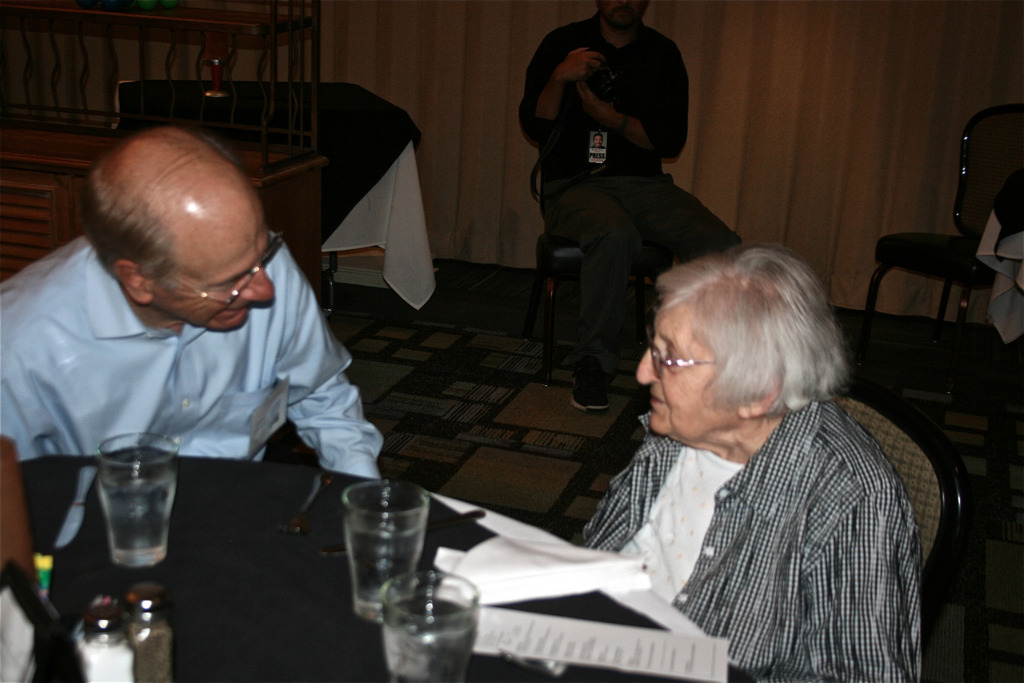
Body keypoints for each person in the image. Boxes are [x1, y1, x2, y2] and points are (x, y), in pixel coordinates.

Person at [584, 244, 921, 680]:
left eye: (670, 358)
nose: (645, 372)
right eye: (653, 345)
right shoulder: (678, 433)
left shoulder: (850, 499)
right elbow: (602, 548)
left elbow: (861, 674)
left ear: (757, 391)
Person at [0, 126, 382, 477]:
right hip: (100, 532)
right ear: (139, 281)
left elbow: (321, 396)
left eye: (263, 253)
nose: (266, 289)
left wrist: (364, 503)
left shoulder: (253, 263)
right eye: (229, 283)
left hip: (237, 502)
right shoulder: (20, 348)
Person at [520, 0, 740, 413]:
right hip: (574, 186)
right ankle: (593, 363)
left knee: (721, 243)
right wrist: (559, 77)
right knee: (613, 232)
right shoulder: (564, 44)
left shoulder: (662, 54)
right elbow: (535, 124)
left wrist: (609, 116)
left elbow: (669, 142)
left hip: (644, 185)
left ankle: (686, 351)